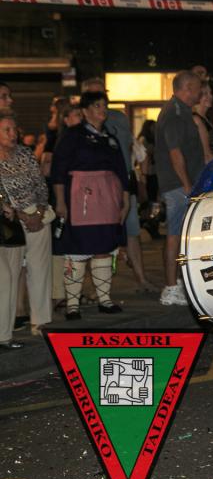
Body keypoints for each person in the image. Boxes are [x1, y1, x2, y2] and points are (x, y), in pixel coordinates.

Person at [51, 92, 131, 318]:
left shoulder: (110, 138)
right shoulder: (72, 135)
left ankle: (104, 300)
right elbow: (58, 170)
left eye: (104, 105)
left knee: (104, 247)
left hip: (108, 199)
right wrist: (60, 201)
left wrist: (125, 200)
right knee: (77, 248)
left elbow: (122, 170)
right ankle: (72, 305)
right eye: (97, 106)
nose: (102, 109)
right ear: (85, 111)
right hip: (79, 200)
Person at [80, 77, 154, 291]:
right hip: (96, 187)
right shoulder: (80, 123)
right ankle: (94, 288)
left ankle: (141, 279)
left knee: (132, 231)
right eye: (94, 96)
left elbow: (130, 148)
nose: (100, 100)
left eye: (102, 94)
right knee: (96, 236)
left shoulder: (119, 118)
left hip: (123, 182)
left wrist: (137, 179)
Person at [0, 110, 53, 343]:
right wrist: (21, 215)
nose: (13, 134)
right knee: (9, 276)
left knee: (40, 268)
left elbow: (40, 184)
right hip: (10, 220)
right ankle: (6, 328)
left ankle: (40, 321)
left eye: (14, 129)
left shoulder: (25, 153)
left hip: (36, 215)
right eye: (6, 130)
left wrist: (39, 213)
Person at [155, 72, 206, 307]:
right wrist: (187, 185)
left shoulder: (182, 111)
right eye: (198, 87)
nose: (201, 92)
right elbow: (175, 153)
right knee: (175, 235)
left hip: (183, 183)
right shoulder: (174, 113)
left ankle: (178, 283)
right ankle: (170, 287)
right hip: (178, 185)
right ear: (187, 88)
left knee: (182, 235)